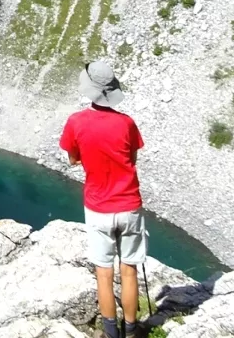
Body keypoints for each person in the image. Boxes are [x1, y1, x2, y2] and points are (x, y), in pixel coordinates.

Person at [59, 61, 148, 338]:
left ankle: (111, 334)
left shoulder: (76, 122)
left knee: (104, 274)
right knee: (130, 269)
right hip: (129, 204)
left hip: (98, 207)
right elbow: (131, 159)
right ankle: (132, 331)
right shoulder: (126, 123)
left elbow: (73, 158)